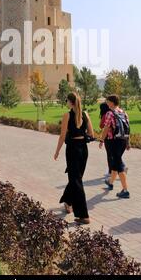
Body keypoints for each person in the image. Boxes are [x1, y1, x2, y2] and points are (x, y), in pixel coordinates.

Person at [54, 92, 94, 225]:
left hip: (72, 149)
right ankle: (67, 201)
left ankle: (84, 215)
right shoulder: (85, 114)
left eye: (67, 101)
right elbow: (91, 134)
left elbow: (62, 135)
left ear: (70, 102)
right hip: (84, 149)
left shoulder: (67, 115)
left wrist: (57, 151)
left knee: (76, 181)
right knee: (76, 178)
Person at [100, 94, 130, 198]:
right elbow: (128, 128)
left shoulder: (110, 113)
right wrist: (128, 142)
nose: (106, 103)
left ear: (112, 102)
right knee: (115, 162)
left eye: (107, 101)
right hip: (122, 141)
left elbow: (106, 128)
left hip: (113, 141)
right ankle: (110, 182)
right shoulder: (124, 112)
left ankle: (125, 190)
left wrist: (101, 140)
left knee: (118, 163)